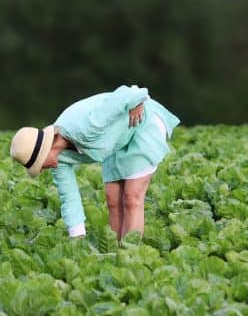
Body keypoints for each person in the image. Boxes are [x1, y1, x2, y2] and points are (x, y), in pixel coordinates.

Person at [10, 85, 180, 240]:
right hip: (114, 142)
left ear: (44, 150)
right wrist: (77, 238)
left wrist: (137, 101)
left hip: (142, 125)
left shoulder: (86, 126)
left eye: (39, 165)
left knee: (131, 197)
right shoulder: (59, 160)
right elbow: (69, 197)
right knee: (112, 198)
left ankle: (132, 254)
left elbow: (127, 93)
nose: (41, 170)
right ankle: (117, 253)